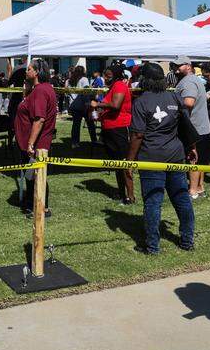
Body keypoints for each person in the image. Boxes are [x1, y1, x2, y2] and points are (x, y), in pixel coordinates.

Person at [127, 63, 199, 254]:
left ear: (144, 80)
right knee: (181, 198)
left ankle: (152, 246)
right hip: (175, 155)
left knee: (153, 201)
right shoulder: (175, 96)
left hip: (151, 157)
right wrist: (191, 147)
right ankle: (187, 240)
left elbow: (137, 135)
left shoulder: (141, 102)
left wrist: (129, 160)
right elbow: (185, 124)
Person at [14, 58, 58, 215]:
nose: (26, 71)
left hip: (37, 143)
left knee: (36, 176)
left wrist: (31, 143)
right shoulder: (39, 89)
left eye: (29, 69)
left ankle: (41, 208)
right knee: (32, 176)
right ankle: (35, 205)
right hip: (32, 141)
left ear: (37, 72)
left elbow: (39, 119)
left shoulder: (41, 90)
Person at [89, 62, 135, 204]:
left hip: (119, 129)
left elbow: (116, 105)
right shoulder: (112, 87)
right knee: (116, 164)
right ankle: (122, 194)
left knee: (124, 163)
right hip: (110, 129)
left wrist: (98, 104)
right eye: (105, 75)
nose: (105, 77)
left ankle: (130, 196)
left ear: (115, 75)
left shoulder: (120, 85)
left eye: (108, 75)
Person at [173, 56, 210, 199]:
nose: (176, 68)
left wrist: (173, 105)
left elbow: (188, 103)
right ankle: (200, 188)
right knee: (199, 159)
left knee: (192, 159)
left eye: (179, 65)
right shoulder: (194, 79)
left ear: (188, 66)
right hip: (200, 127)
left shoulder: (188, 82)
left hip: (193, 127)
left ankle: (193, 191)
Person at [67, 65, 96, 145]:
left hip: (74, 105)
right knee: (90, 124)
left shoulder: (69, 80)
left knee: (76, 125)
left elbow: (68, 93)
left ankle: (75, 143)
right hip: (84, 105)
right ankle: (94, 140)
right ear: (83, 72)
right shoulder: (84, 79)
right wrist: (88, 104)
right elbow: (86, 93)